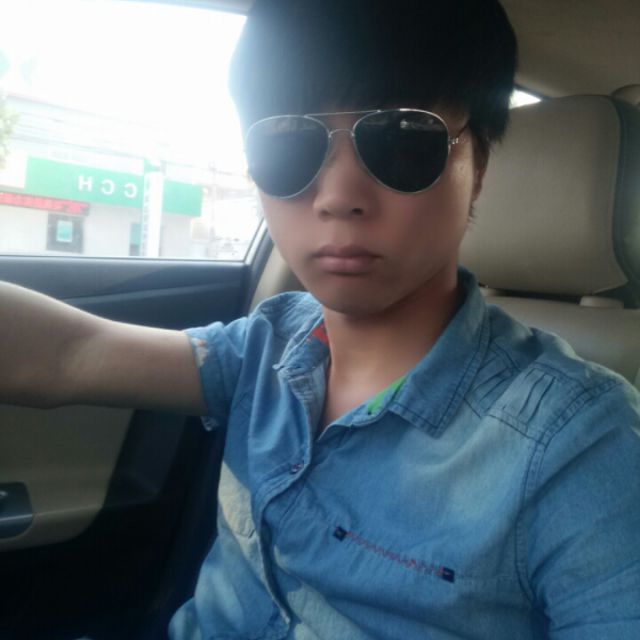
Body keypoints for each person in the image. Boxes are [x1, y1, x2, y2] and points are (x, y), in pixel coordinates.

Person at [1, 1, 639, 638]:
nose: (338, 197)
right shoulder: (267, 346)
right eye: (286, 145)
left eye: (401, 141)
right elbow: (69, 355)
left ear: (477, 171)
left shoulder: (580, 446)